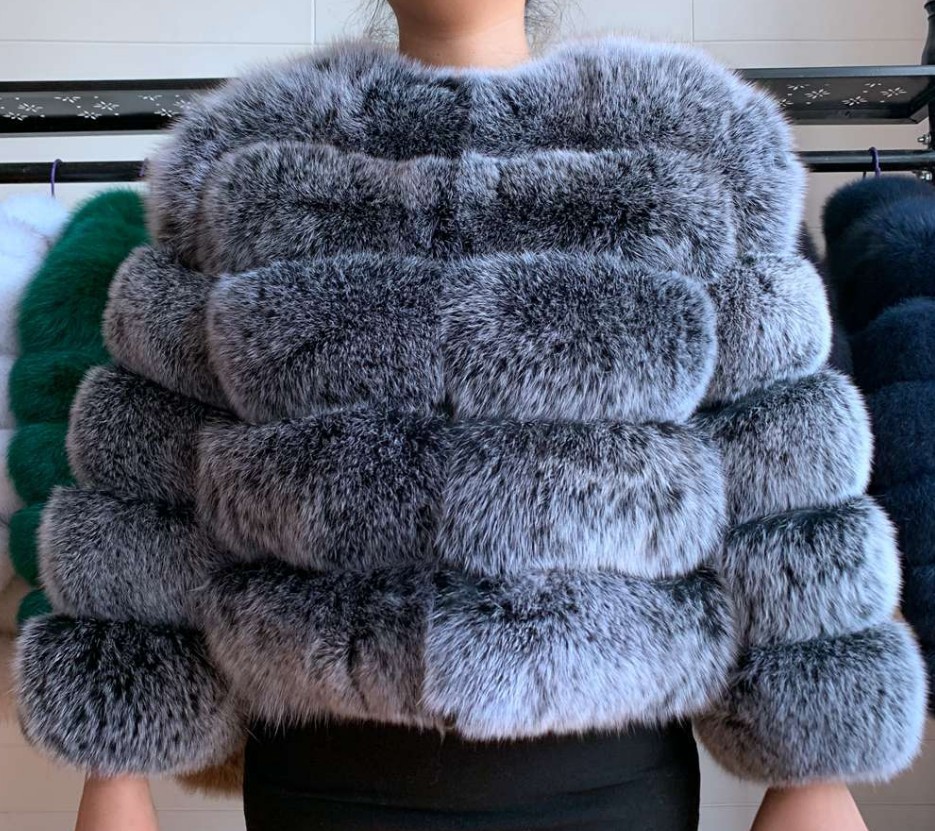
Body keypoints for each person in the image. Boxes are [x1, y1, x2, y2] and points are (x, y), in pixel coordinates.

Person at [19, 2, 924, 830]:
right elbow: (147, 482)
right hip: (322, 786)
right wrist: (115, 762)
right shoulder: (240, 157)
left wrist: (812, 769)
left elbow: (781, 475)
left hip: (606, 790)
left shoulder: (698, 142)